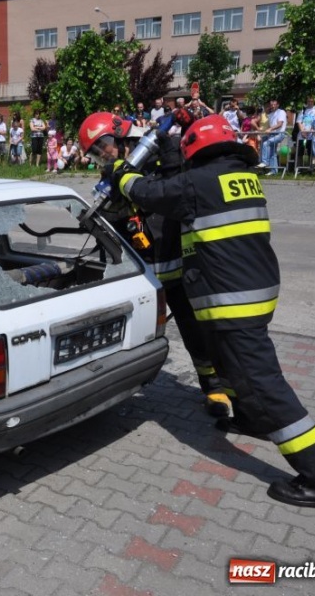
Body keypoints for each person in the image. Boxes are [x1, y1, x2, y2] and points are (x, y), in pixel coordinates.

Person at [110, 115, 315, 511]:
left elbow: (149, 192)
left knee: (264, 384)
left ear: (195, 152)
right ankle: (252, 419)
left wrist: (121, 172)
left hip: (233, 299)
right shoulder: (243, 177)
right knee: (230, 364)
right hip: (255, 290)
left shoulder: (197, 183)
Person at [79, 111, 231, 418]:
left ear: (122, 136)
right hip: (143, 275)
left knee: (196, 329)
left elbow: (180, 190)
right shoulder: (111, 178)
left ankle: (214, 385)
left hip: (179, 267)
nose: (104, 154)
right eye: (96, 153)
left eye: (105, 144)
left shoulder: (160, 160)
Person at [258, 99, 287, 176]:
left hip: (280, 134)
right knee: (272, 153)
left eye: (274, 104)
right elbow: (267, 125)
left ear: (278, 105)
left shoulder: (281, 112)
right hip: (272, 134)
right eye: (271, 105)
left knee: (266, 144)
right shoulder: (270, 114)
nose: (273, 106)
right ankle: (274, 171)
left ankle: (265, 162)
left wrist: (270, 129)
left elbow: (280, 124)